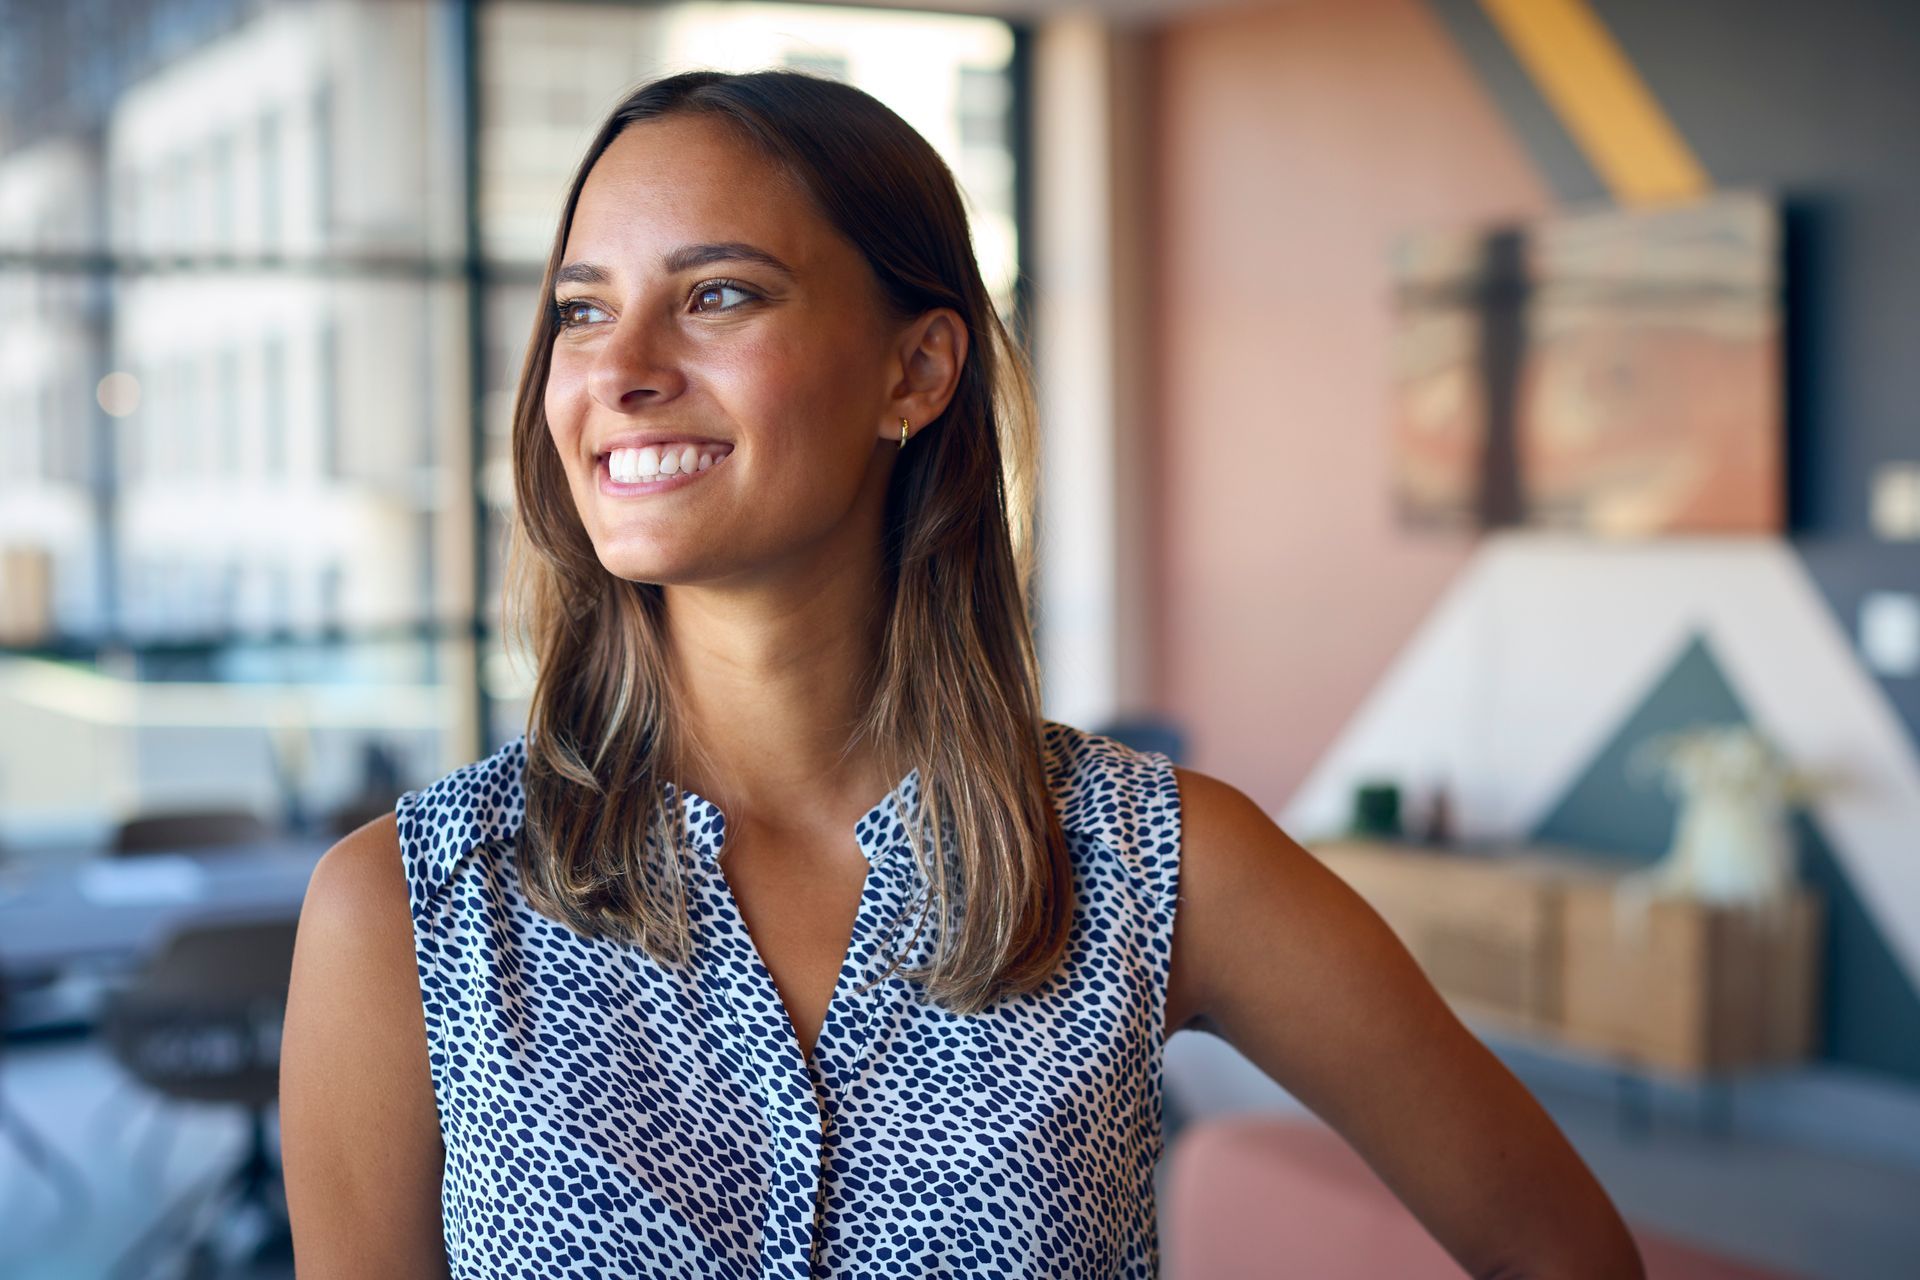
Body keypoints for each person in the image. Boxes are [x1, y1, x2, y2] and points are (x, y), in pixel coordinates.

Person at [279, 68, 1643, 1279]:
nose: (620, 370)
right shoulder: (404, 917)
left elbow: (1557, 1246)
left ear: (916, 369)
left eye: (718, 295)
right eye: (583, 311)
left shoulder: (1151, 861)